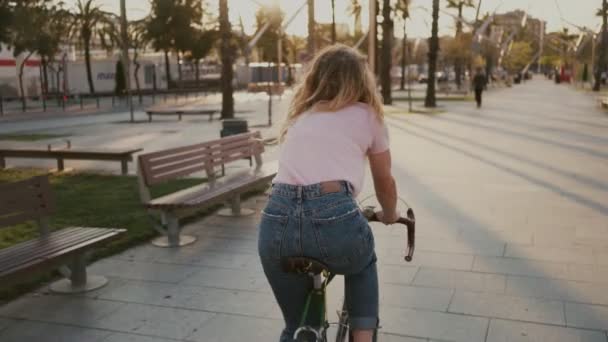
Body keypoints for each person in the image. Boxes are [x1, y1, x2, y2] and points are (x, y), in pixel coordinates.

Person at [258, 44, 398, 342]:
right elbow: (384, 180)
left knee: (297, 326)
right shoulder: (368, 115)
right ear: (361, 80)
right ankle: (362, 336)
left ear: (316, 78)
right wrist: (389, 212)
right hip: (334, 215)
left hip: (276, 218)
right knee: (362, 261)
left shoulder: (302, 115)